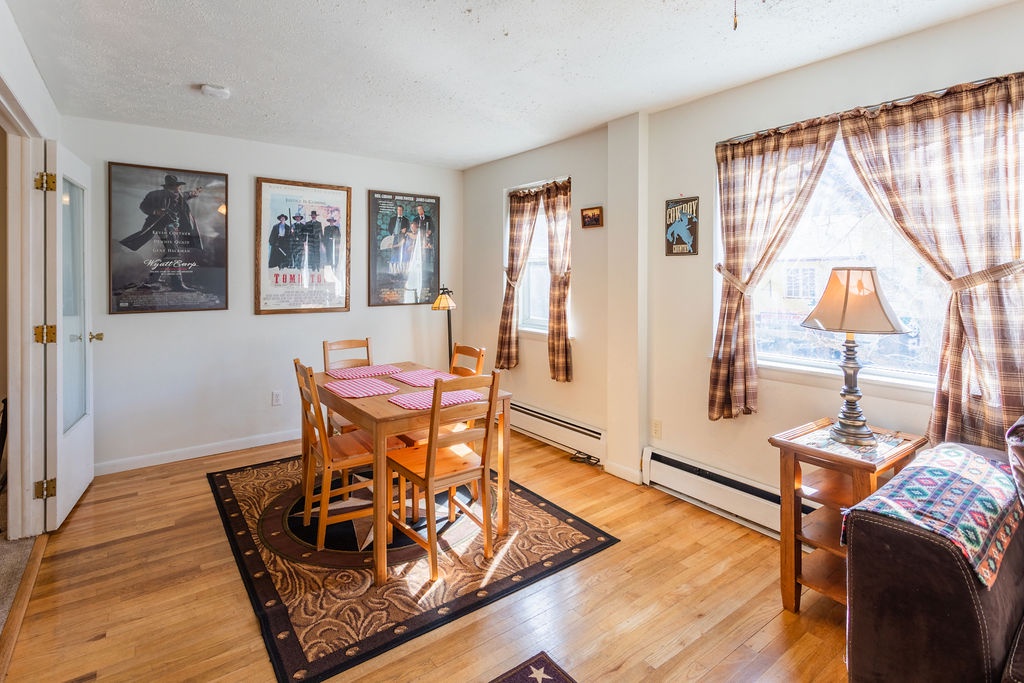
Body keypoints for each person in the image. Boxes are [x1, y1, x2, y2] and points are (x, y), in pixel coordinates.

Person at [120, 173, 204, 291]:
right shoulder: (155, 195)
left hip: (173, 227)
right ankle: (172, 283)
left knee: (173, 253)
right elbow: (143, 206)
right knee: (174, 253)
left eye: (179, 187)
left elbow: (190, 194)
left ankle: (159, 281)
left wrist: (196, 191)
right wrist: (155, 211)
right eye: (175, 186)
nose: (178, 189)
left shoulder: (180, 195)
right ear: (169, 186)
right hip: (159, 225)